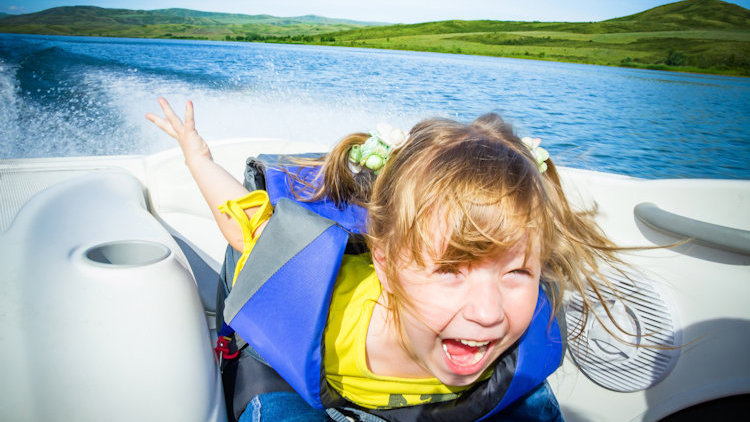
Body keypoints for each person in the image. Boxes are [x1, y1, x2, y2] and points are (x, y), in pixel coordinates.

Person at [147, 98, 623, 422]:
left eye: (517, 272)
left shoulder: (515, 337)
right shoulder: (324, 299)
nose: (489, 313)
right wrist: (197, 155)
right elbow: (244, 224)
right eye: (450, 270)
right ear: (386, 264)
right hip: (312, 386)